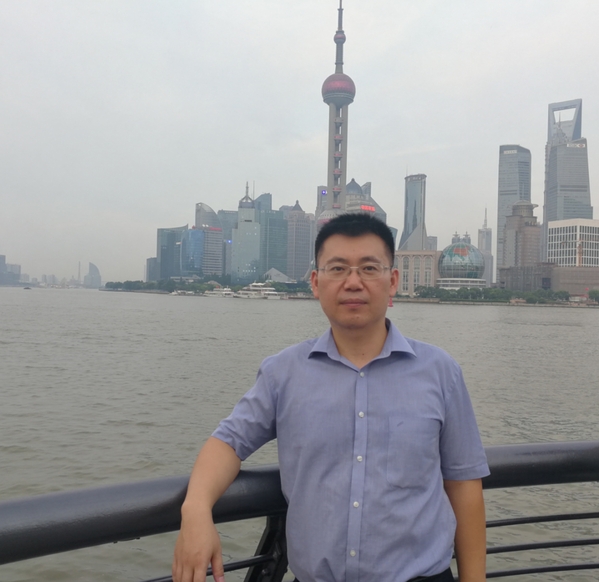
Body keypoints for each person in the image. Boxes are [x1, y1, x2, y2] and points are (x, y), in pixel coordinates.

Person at [173, 213, 489, 582]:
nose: (353, 282)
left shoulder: (441, 372)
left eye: (369, 268)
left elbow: (464, 486)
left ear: (393, 282)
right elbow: (228, 443)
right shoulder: (283, 373)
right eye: (337, 269)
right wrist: (196, 510)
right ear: (315, 283)